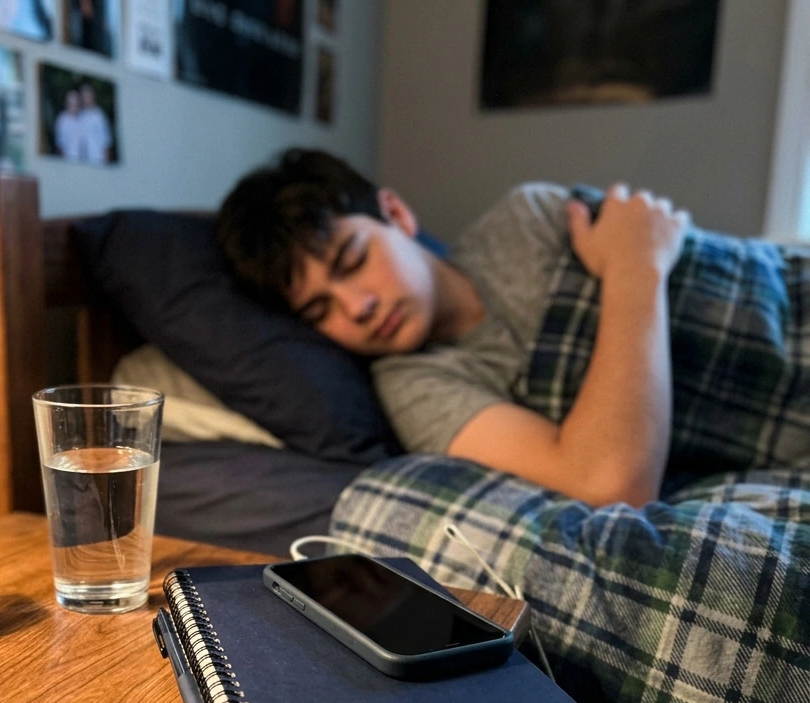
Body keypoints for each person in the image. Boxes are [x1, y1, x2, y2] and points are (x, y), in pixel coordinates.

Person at [216, 148, 692, 508]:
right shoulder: (413, 386)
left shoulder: (527, 221)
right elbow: (610, 486)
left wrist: (643, 239)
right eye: (320, 311)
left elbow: (647, 225)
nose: (357, 307)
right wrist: (637, 266)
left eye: (353, 260)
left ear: (396, 214)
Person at [77, 81, 112, 165]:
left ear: (93, 97)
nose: (85, 98)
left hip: (98, 161)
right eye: (83, 96)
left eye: (87, 96)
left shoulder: (99, 116)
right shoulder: (80, 115)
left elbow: (106, 143)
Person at [54, 88, 84, 161]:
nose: (74, 105)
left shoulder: (83, 117)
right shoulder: (62, 120)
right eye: (71, 103)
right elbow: (59, 146)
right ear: (67, 103)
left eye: (76, 102)